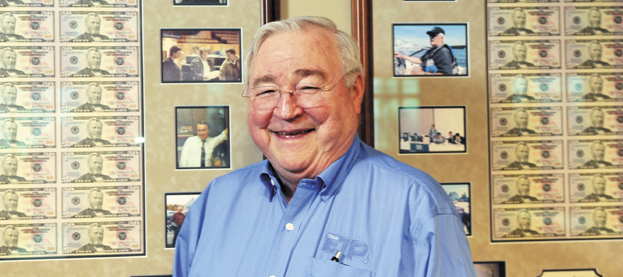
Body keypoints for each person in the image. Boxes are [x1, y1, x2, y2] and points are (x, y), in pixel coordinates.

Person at [173, 16, 475, 276]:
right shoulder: (214, 203)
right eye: (266, 90)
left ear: (354, 92)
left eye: (309, 87)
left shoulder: (417, 205)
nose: (285, 110)